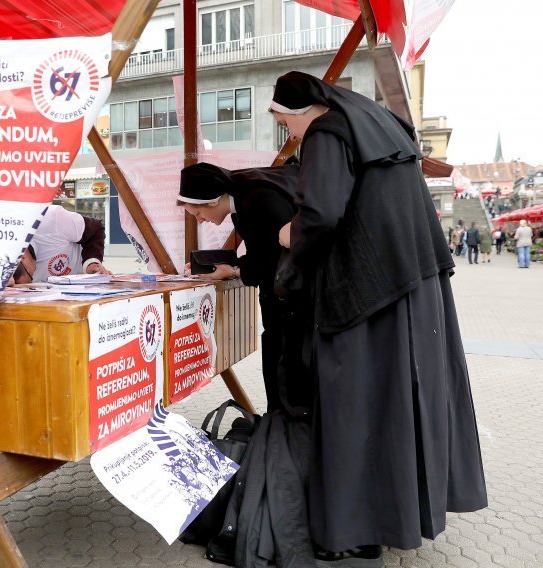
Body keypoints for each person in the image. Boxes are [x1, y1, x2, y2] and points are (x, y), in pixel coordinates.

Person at [269, 71, 487, 564]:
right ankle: (402, 514)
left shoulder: (327, 132)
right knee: (403, 404)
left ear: (304, 111)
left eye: (284, 122)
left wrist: (290, 234)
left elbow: (321, 214)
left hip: (367, 295)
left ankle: (354, 530)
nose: (288, 135)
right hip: (417, 287)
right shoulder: (382, 128)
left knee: (357, 405)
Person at [178, 161, 313, 415]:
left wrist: (237, 271)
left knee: (288, 380)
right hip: (288, 307)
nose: (202, 221)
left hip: (296, 309)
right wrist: (233, 266)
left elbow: (278, 261)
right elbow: (264, 251)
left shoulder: (258, 200)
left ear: (212, 201)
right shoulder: (247, 194)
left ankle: (285, 437)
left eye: (198, 214)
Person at [30, 205, 110, 282]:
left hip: (82, 286)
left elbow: (95, 230)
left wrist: (91, 262)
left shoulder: (49, 219)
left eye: (29, 275)